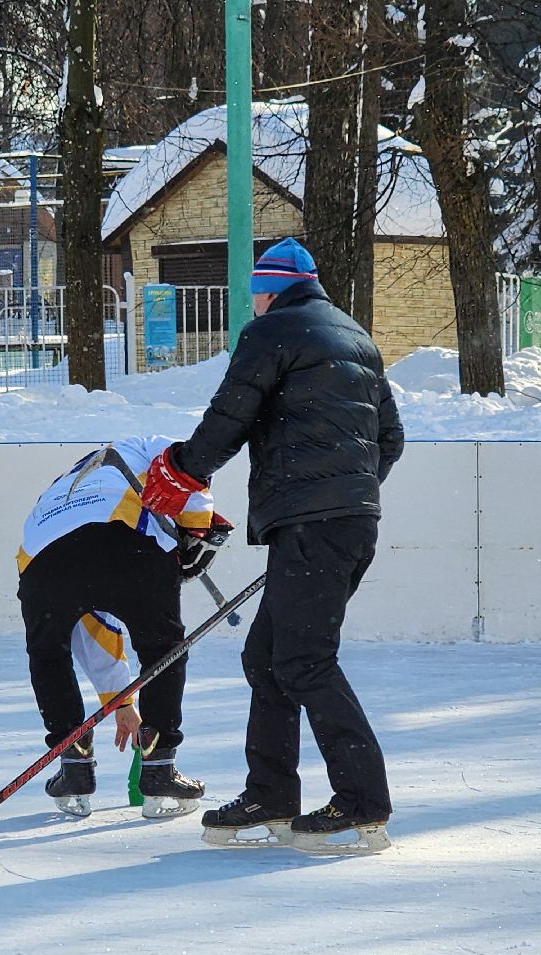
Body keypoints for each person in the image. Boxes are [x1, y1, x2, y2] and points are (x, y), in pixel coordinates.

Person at [140, 237, 404, 853]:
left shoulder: (274, 332)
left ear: (268, 290)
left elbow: (231, 415)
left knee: (304, 661)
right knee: (267, 658)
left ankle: (364, 803)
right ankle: (271, 794)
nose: (251, 302)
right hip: (347, 522)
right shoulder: (354, 337)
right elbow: (389, 439)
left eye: (254, 291)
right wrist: (343, 493)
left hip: (315, 525)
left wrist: (182, 467)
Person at [17, 435, 231, 818]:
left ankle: (75, 766)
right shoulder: (147, 444)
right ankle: (159, 768)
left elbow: (93, 626)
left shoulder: (67, 483)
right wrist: (195, 530)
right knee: (163, 649)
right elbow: (194, 466)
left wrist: (121, 702)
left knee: (48, 655)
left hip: (40, 559)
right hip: (128, 544)